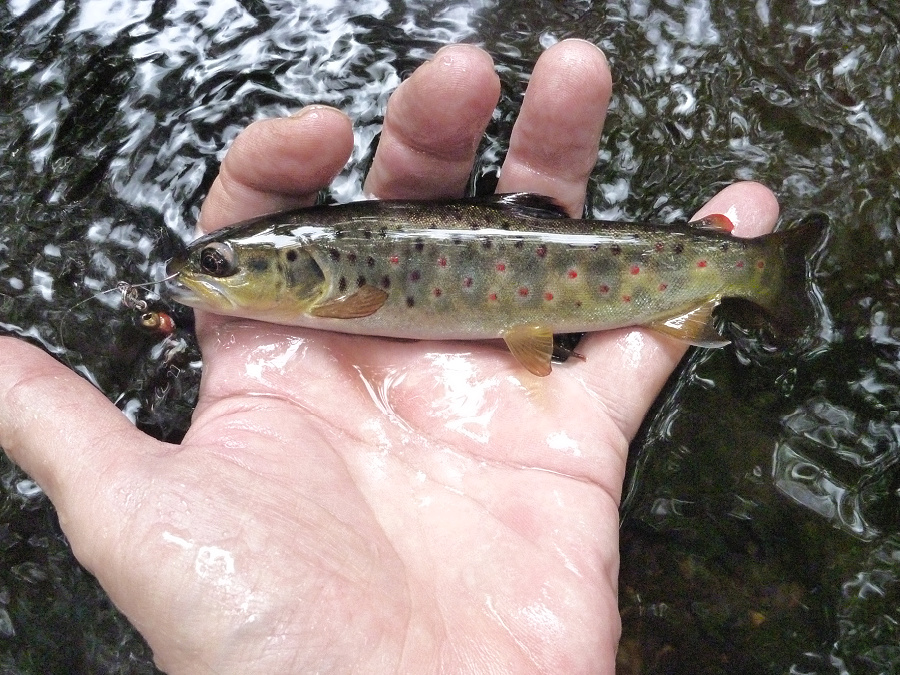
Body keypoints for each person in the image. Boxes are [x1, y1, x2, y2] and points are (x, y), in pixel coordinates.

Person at [0, 40, 778, 674]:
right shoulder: (315, 285)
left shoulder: (334, 288)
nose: (200, 281)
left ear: (305, 276)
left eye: (223, 269)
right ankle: (746, 267)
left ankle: (755, 267)